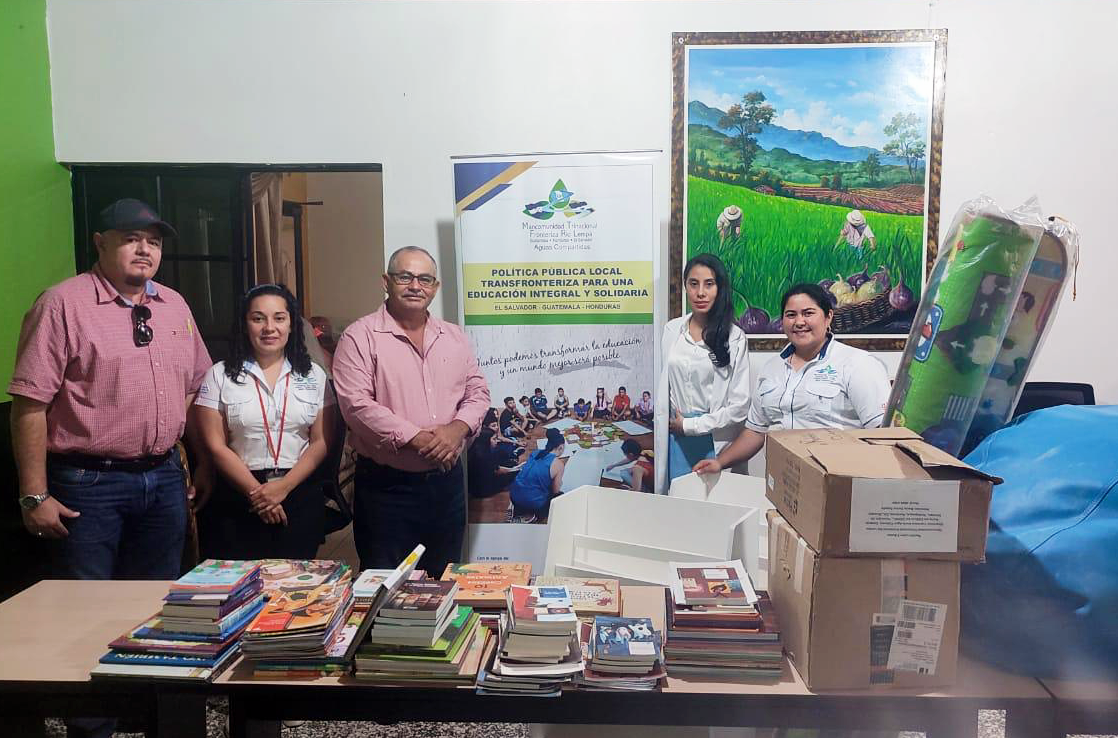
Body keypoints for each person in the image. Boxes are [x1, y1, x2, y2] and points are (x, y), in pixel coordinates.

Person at [9, 198, 212, 738]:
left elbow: (194, 390)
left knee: (158, 608)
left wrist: (203, 466)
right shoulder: (61, 304)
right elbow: (30, 404)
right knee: (85, 610)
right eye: (131, 237)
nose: (145, 249)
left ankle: (152, 715)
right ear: (100, 242)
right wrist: (33, 494)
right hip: (87, 482)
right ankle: (92, 727)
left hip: (165, 476)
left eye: (154, 240)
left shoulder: (174, 306)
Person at [332, 246, 490, 576]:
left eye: (424, 278)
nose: (415, 285)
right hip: (387, 490)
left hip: (447, 488)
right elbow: (356, 406)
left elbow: (478, 392)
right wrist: (418, 439)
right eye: (405, 277)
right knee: (385, 585)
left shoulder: (453, 336)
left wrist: (456, 429)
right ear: (386, 282)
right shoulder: (360, 337)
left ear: (435, 287)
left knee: (444, 580)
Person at [194, 284, 333, 560]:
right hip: (238, 496)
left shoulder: (314, 375)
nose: (269, 327)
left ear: (292, 324)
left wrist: (283, 487)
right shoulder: (219, 375)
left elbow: (321, 441)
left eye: (279, 318)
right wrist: (258, 494)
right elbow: (215, 444)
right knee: (237, 590)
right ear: (245, 324)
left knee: (295, 588)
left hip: (297, 492)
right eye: (258, 318)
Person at [694, 283, 892, 476]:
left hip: (840, 482)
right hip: (785, 482)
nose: (799, 322)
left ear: (828, 317)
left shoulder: (858, 364)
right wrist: (720, 462)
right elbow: (755, 431)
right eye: (791, 315)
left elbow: (881, 435)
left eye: (808, 313)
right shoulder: (771, 369)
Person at [653, 253, 750, 492]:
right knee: (678, 506)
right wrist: (679, 427)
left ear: (720, 288)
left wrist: (691, 425)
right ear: (685, 286)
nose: (700, 293)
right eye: (693, 284)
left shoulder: (734, 337)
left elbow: (740, 406)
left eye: (709, 284)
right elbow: (665, 387)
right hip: (676, 438)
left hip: (713, 438)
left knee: (713, 510)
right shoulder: (672, 329)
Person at [508, 427, 567, 521]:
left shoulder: (535, 453)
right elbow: (555, 491)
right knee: (560, 496)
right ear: (561, 447)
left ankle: (518, 510)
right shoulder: (558, 464)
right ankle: (534, 516)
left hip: (513, 495)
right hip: (532, 503)